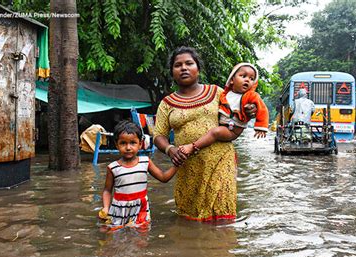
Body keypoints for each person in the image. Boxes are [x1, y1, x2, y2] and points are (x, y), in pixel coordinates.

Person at [153, 46, 257, 222]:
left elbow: (236, 122)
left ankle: (220, 248)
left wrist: (249, 110)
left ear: (198, 69)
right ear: (172, 72)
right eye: (178, 65)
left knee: (223, 217)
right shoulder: (167, 103)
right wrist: (170, 150)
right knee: (189, 219)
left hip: (220, 161)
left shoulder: (217, 93)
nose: (184, 68)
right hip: (187, 165)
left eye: (189, 63)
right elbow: (158, 135)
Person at [99, 120, 177, 228]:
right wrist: (106, 208)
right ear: (116, 145)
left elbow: (163, 178)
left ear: (140, 144)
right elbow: (107, 190)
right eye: (123, 143)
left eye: (132, 143)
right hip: (119, 211)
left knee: (141, 238)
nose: (128, 147)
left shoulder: (145, 162)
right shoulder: (113, 168)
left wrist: (177, 165)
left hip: (141, 209)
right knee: (115, 238)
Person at [179, 62, 269, 155]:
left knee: (215, 132)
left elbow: (262, 108)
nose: (247, 80)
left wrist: (261, 126)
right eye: (243, 76)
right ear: (231, 80)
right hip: (225, 124)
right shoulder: (225, 94)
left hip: (234, 130)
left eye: (251, 79)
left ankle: (193, 147)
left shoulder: (250, 96)